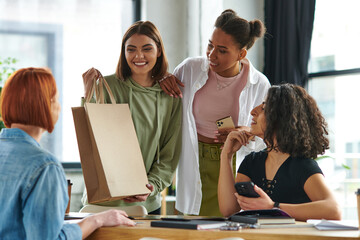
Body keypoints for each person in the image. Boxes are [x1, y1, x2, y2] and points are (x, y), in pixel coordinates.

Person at [0, 68, 135, 240]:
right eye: (56, 100)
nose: (59, 106)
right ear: (46, 105)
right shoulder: (44, 166)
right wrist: (96, 220)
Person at [159, 9, 270, 216]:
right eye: (210, 45)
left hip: (233, 162)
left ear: (241, 54)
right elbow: (165, 106)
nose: (211, 54)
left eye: (222, 50)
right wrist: (162, 78)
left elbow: (267, 137)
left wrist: (249, 132)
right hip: (194, 158)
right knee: (192, 223)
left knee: (230, 222)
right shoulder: (190, 69)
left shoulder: (259, 84)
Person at [81, 21, 182, 214]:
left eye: (147, 49)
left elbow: (170, 154)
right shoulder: (106, 86)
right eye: (131, 49)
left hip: (146, 203)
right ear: (123, 52)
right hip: (101, 203)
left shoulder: (170, 96)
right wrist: (87, 95)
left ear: (159, 51)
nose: (138, 56)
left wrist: (151, 186)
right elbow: (88, 140)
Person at [218, 83, 342, 221]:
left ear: (281, 118)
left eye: (263, 108)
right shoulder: (251, 162)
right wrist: (226, 156)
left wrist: (273, 207)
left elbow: (333, 210)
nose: (253, 111)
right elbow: (228, 210)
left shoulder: (303, 166)